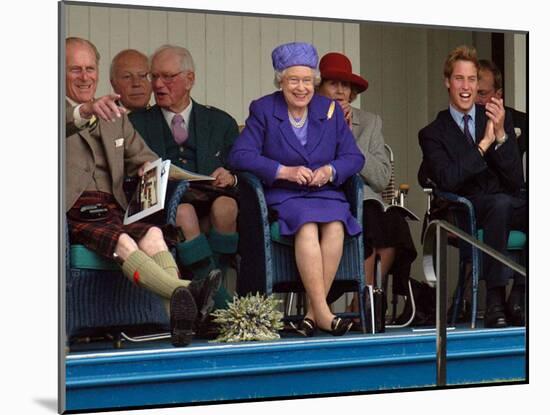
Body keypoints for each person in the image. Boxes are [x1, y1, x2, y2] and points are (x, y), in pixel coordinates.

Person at [65, 37, 221, 347]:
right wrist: (85, 110)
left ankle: (179, 323)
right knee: (123, 241)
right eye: (74, 70)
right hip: (73, 210)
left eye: (90, 69)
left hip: (113, 208)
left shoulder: (115, 116)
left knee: (153, 235)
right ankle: (189, 290)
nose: (85, 77)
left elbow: (145, 157)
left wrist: (149, 170)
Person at [228, 42, 365, 337]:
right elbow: (239, 155)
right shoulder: (264, 109)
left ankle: (313, 314)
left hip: (325, 193)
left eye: (307, 80)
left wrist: (330, 171)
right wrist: (283, 171)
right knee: (306, 226)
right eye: (293, 80)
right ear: (281, 81)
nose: (301, 88)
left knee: (336, 226)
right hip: (286, 195)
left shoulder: (329, 110)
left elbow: (354, 158)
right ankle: (326, 314)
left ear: (314, 82)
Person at [418, 45, 525, 328]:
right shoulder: (433, 133)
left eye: (472, 80)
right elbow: (448, 179)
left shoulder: (496, 119)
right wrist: (483, 146)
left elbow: (516, 179)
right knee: (500, 205)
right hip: (466, 211)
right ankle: (494, 300)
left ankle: (521, 294)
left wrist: (501, 135)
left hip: (505, 203)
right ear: (447, 82)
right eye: (459, 79)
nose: (466, 87)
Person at [129, 45, 239, 310]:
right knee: (185, 213)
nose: (158, 84)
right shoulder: (135, 123)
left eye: (167, 77)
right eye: (154, 77)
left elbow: (241, 167)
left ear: (189, 79)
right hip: (166, 204)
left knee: (227, 207)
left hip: (213, 196)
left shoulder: (220, 121)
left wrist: (231, 176)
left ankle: (213, 284)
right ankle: (220, 303)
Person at [317, 52, 417, 325]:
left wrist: (350, 139)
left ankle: (365, 298)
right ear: (319, 86)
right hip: (327, 199)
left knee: (393, 221)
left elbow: (382, 179)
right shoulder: (309, 117)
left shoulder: (370, 122)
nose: (340, 90)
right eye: (333, 83)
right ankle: (365, 303)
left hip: (366, 200)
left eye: (346, 85)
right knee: (370, 218)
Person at [476, 59, 527, 159]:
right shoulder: (460, 121)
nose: (475, 99)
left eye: (482, 93)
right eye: (472, 92)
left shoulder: (522, 122)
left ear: (498, 94)